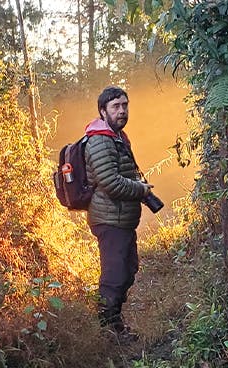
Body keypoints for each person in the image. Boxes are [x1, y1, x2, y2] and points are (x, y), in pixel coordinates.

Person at [84, 86, 153, 336]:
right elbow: (111, 183)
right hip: (109, 219)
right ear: (103, 111)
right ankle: (107, 331)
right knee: (114, 276)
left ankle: (114, 324)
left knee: (128, 269)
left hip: (121, 219)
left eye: (125, 105)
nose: (122, 111)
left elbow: (124, 174)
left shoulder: (117, 137)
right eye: (116, 106)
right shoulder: (100, 140)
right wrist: (141, 190)